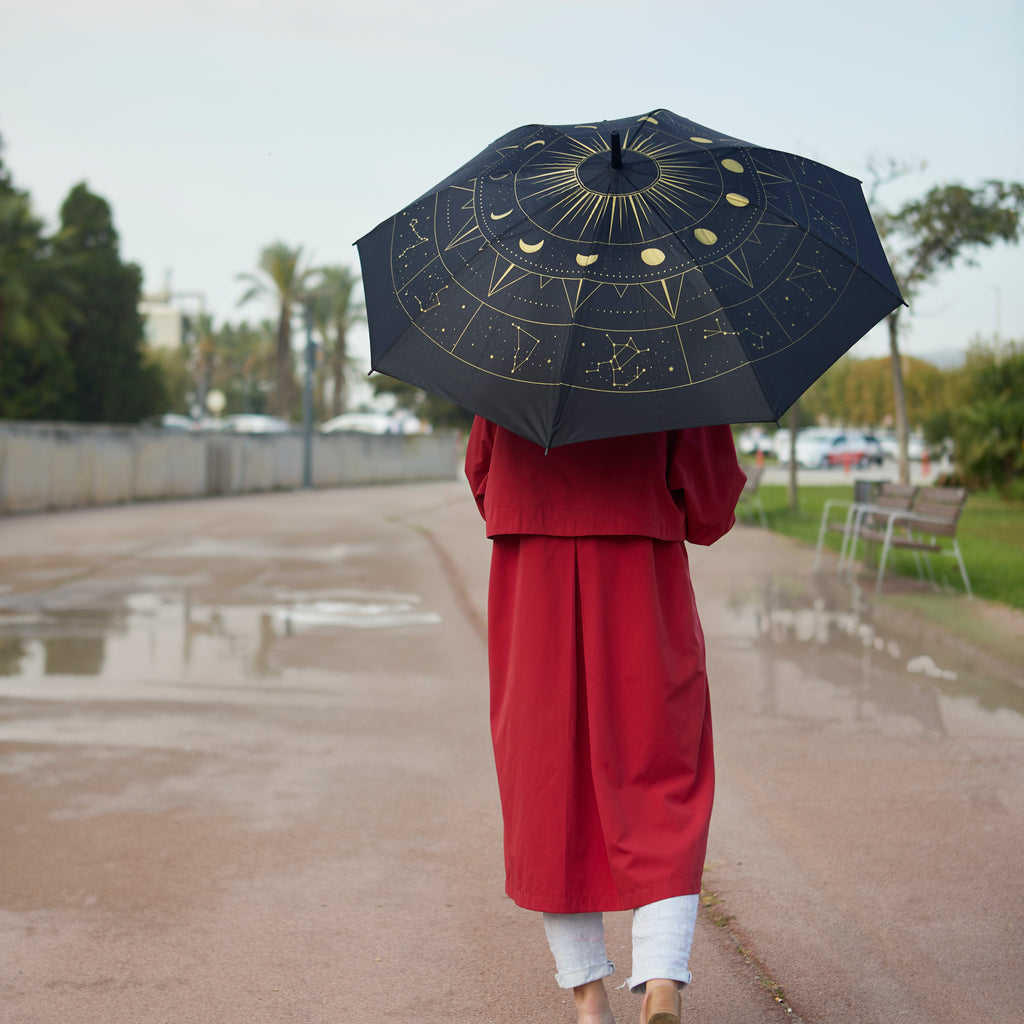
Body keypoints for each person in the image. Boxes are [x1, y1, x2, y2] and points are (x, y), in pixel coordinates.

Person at [465, 417, 746, 1024]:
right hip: (639, 580)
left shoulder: (515, 343)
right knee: (662, 775)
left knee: (547, 786)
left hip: (532, 582)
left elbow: (481, 479)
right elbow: (711, 507)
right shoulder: (674, 352)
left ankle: (589, 1000)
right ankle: (662, 975)